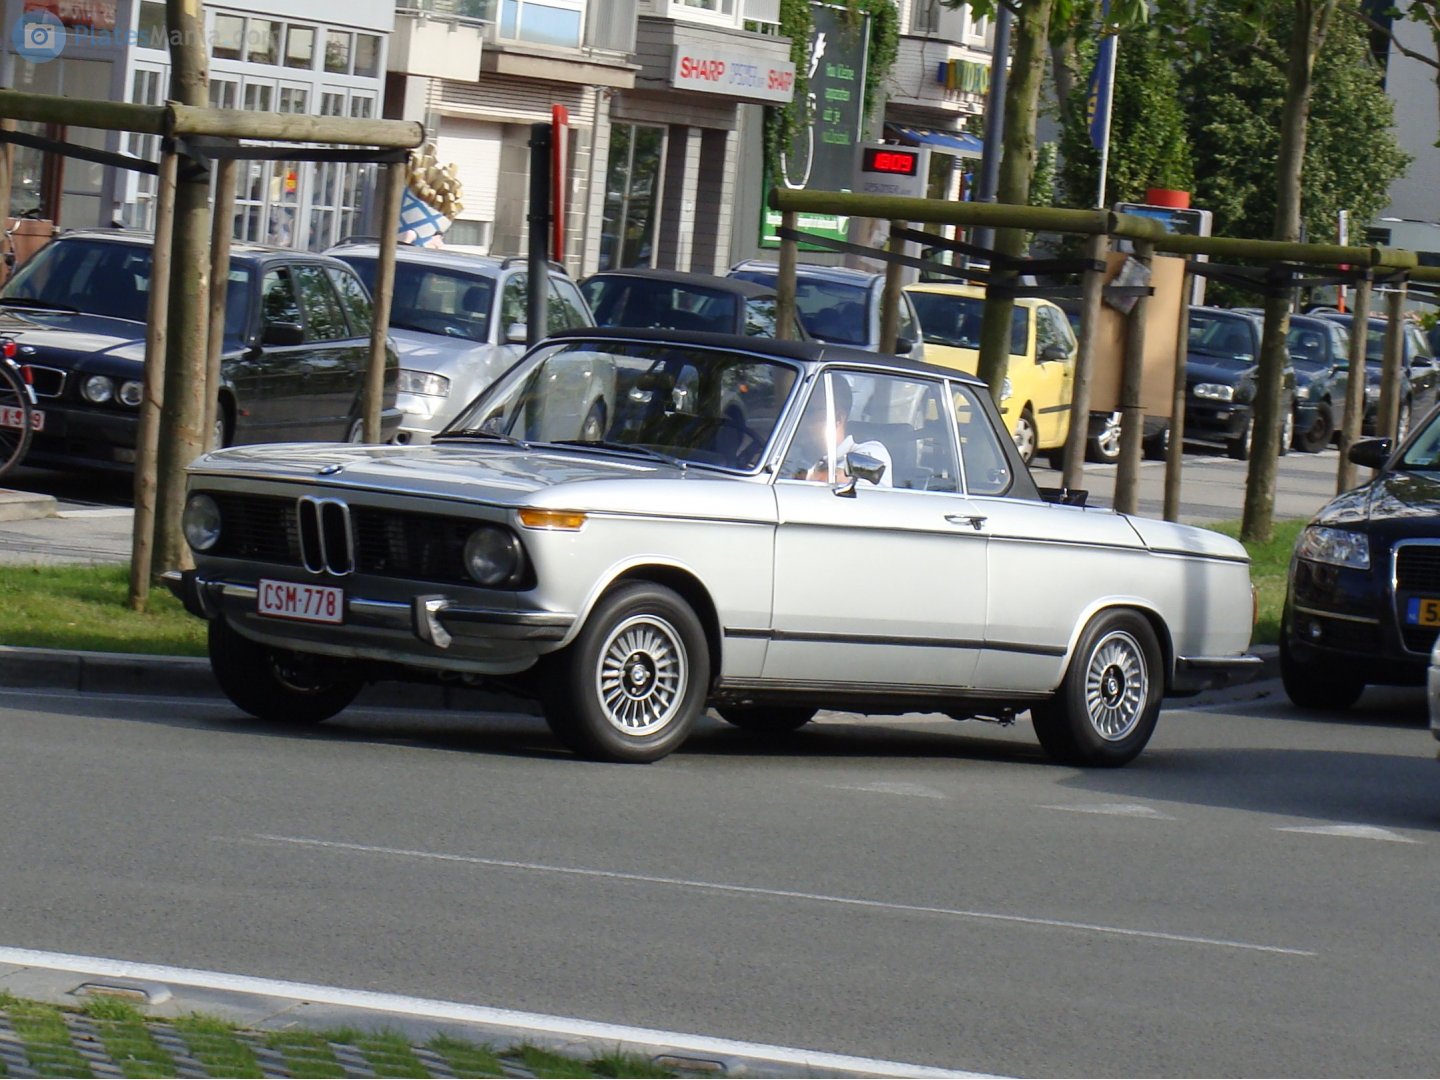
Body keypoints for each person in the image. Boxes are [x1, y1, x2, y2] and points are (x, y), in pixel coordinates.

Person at [783, 374, 892, 486]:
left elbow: (827, 479)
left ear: (838, 418)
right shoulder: (794, 455)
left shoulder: (873, 453)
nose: (801, 419)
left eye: (810, 411)